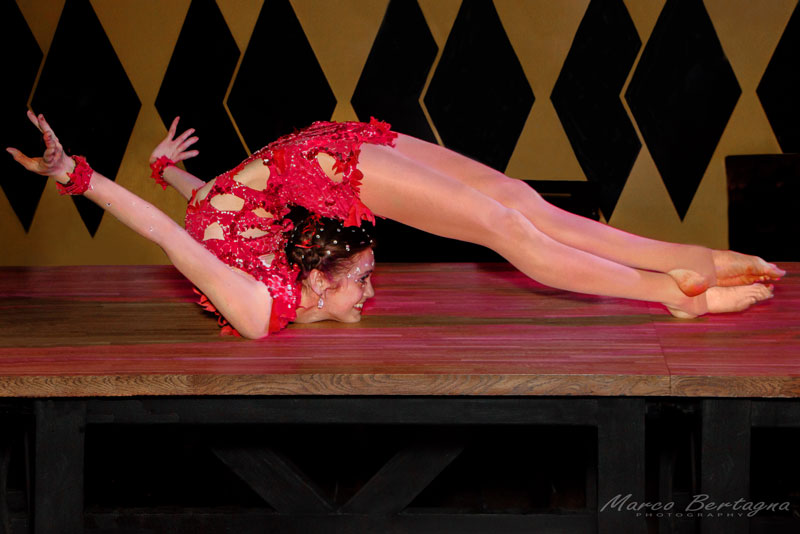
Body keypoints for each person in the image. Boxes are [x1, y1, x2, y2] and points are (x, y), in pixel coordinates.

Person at [7, 111, 784, 339]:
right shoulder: (272, 296)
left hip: (323, 150)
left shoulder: (254, 304)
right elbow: (221, 210)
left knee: (513, 200)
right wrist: (137, 176)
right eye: (365, 288)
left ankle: (681, 268)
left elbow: (182, 224)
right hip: (324, 163)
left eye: (359, 292)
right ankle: (673, 285)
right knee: (507, 221)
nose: (367, 296)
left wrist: (106, 174)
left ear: (316, 286)